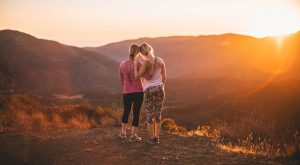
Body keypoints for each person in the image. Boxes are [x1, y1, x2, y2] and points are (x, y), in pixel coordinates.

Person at [134, 43, 166, 144]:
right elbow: (164, 77)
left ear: (142, 54)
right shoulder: (160, 60)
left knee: (149, 114)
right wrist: (161, 86)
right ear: (151, 49)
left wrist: (135, 64)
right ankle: (157, 138)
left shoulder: (146, 63)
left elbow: (137, 76)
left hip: (148, 90)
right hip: (160, 88)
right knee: (158, 113)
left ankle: (152, 139)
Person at [119, 44, 144, 142]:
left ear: (130, 51)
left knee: (126, 111)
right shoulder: (139, 64)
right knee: (136, 113)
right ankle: (133, 136)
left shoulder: (122, 64)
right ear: (138, 52)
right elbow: (145, 76)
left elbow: (121, 79)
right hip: (138, 91)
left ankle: (122, 132)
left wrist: (126, 87)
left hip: (126, 92)